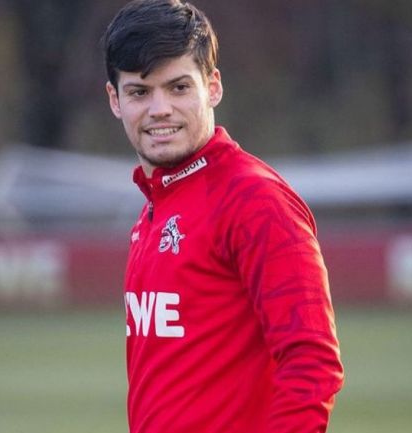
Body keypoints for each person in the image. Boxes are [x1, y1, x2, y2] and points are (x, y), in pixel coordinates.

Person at [102, 1, 344, 432]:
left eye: (178, 88)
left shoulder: (255, 200)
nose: (159, 109)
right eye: (140, 91)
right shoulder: (155, 205)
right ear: (115, 100)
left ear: (212, 87)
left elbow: (313, 362)